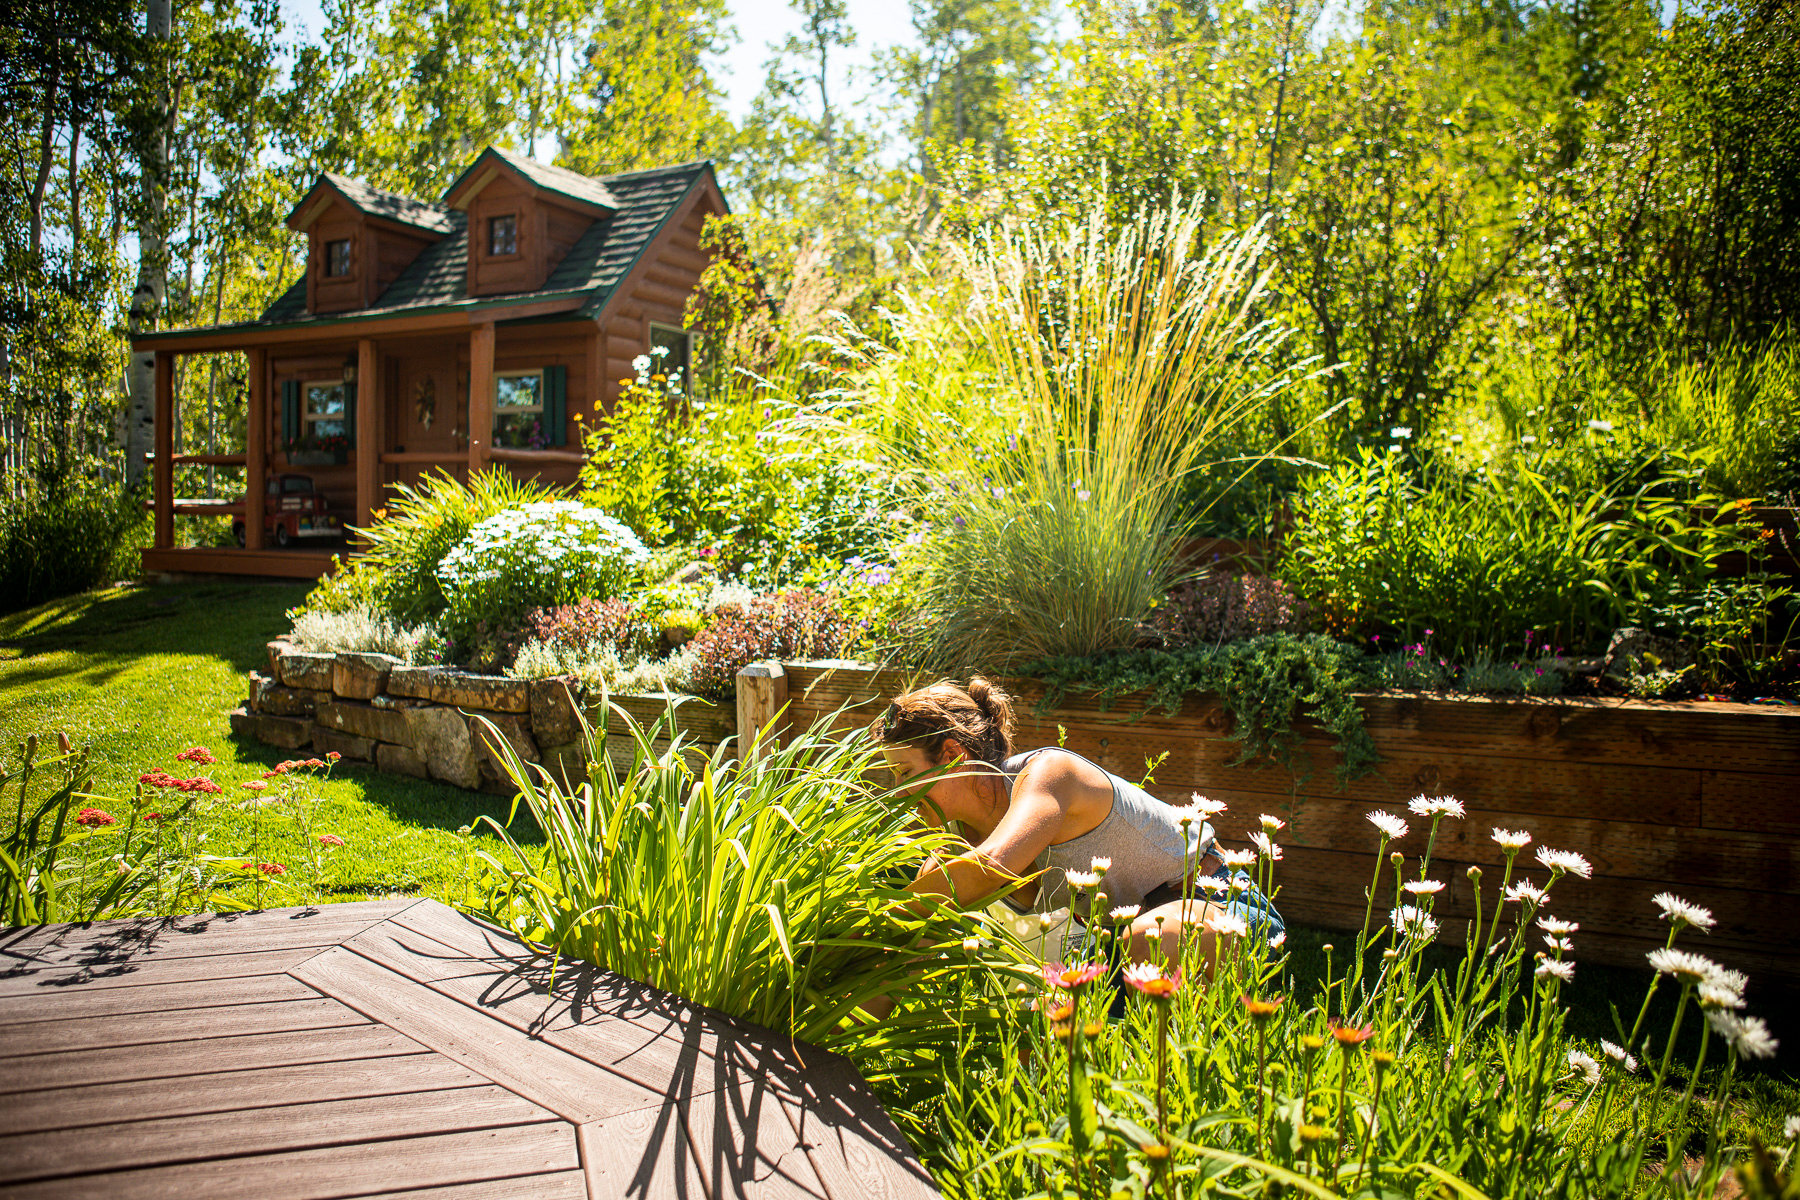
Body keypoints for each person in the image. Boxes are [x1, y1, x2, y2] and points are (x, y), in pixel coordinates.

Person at [872, 676, 1282, 970]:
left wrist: (871, 916)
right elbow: (919, 928)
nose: (897, 791)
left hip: (1222, 912)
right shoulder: (959, 832)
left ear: (951, 755)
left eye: (905, 774)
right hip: (1118, 950)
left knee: (1150, 940)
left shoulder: (1049, 773)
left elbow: (990, 865)